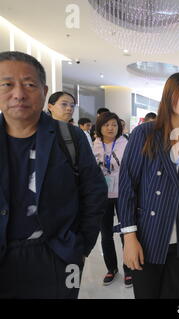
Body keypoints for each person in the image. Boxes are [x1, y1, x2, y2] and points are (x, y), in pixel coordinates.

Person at [0, 51, 107, 298]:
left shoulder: (69, 137)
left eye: (29, 84)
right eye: (7, 84)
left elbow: (94, 191)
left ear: (44, 90)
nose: (18, 93)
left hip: (57, 256)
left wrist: (80, 246)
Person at [118, 72, 179, 299]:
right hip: (149, 235)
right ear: (169, 96)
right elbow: (128, 187)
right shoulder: (146, 133)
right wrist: (129, 237)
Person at [93, 112, 132, 288]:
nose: (110, 128)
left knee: (127, 232)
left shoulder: (126, 143)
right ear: (100, 127)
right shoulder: (95, 145)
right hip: (103, 194)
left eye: (114, 125)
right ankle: (111, 268)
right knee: (106, 233)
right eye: (107, 125)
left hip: (123, 193)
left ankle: (129, 269)